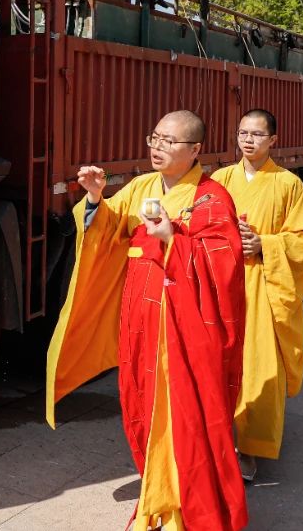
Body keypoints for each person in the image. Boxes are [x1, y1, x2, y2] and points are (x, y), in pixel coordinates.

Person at [47, 110, 248, 531]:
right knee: (143, 404)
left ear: (195, 150)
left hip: (183, 328)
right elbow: (108, 231)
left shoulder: (211, 199)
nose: (157, 147)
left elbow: (224, 265)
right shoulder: (142, 186)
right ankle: (157, 494)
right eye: (154, 138)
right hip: (141, 316)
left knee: (184, 416)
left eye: (169, 141)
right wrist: (95, 199)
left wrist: (173, 240)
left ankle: (187, 508)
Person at [211, 109, 303, 483]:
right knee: (218, 364)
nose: (248, 140)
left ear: (273, 140)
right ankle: (217, 441)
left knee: (258, 368)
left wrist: (264, 244)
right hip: (222, 283)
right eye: (243, 133)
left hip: (264, 286)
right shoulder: (220, 180)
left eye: (257, 134)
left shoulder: (288, 184)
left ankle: (251, 447)